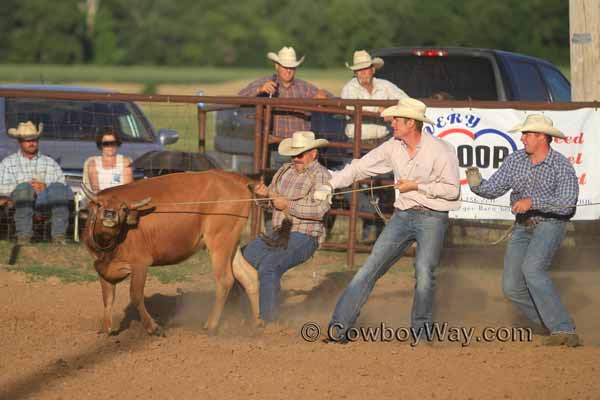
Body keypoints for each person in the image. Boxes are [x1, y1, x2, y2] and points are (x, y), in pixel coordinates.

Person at [314, 98, 460, 342]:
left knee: (424, 271)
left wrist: (417, 185)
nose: (392, 123)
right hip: (403, 215)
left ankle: (421, 334)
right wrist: (331, 184)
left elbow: (452, 190)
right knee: (370, 268)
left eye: (397, 120)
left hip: (433, 217)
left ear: (411, 123)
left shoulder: (441, 150)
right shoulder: (393, 146)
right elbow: (359, 168)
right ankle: (339, 328)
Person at [466, 114, 580, 347]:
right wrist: (477, 185)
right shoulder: (515, 160)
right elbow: (494, 188)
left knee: (532, 269)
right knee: (511, 288)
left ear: (542, 137)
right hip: (522, 226)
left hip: (550, 224)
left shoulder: (561, 166)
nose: (523, 137)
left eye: (527, 134)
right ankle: (553, 324)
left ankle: (563, 328)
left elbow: (567, 204)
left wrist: (533, 202)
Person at [233, 131, 331, 323]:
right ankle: (247, 313)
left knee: (269, 266)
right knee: (242, 259)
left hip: (305, 235)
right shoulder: (284, 171)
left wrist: (287, 205)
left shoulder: (321, 177)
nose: (296, 159)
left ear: (313, 154)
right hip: (279, 233)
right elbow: (272, 203)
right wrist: (264, 196)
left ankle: (269, 321)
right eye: (293, 154)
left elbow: (320, 210)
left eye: (300, 154)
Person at [340, 49, 410, 242]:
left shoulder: (385, 86)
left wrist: (392, 109)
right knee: (351, 183)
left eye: (365, 69)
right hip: (357, 144)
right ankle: (374, 218)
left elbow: (406, 101)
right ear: (355, 72)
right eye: (359, 70)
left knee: (387, 185)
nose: (362, 73)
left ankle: (376, 224)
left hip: (382, 143)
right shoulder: (349, 88)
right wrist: (386, 110)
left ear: (372, 69)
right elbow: (351, 109)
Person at [239, 46, 331, 168]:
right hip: (275, 147)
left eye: (292, 67)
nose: (289, 71)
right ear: (277, 66)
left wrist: (324, 96)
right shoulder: (265, 82)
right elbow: (240, 97)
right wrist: (259, 90)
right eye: (285, 67)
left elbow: (332, 99)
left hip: (300, 148)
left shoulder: (304, 87)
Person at [0, 121, 73, 245]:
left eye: (34, 139)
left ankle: (59, 237)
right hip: (19, 200)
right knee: (24, 188)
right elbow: (1, 187)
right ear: (20, 141)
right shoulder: (7, 163)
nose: (32, 143)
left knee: (59, 188)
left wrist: (45, 188)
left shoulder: (50, 162)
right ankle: (24, 237)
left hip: (45, 201)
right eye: (27, 140)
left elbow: (61, 186)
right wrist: (26, 188)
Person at [84, 127, 133, 192]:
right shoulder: (93, 164)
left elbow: (127, 189)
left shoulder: (125, 162)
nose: (110, 147)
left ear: (117, 143)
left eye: (113, 143)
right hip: (102, 200)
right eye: (106, 144)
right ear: (100, 145)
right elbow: (96, 189)